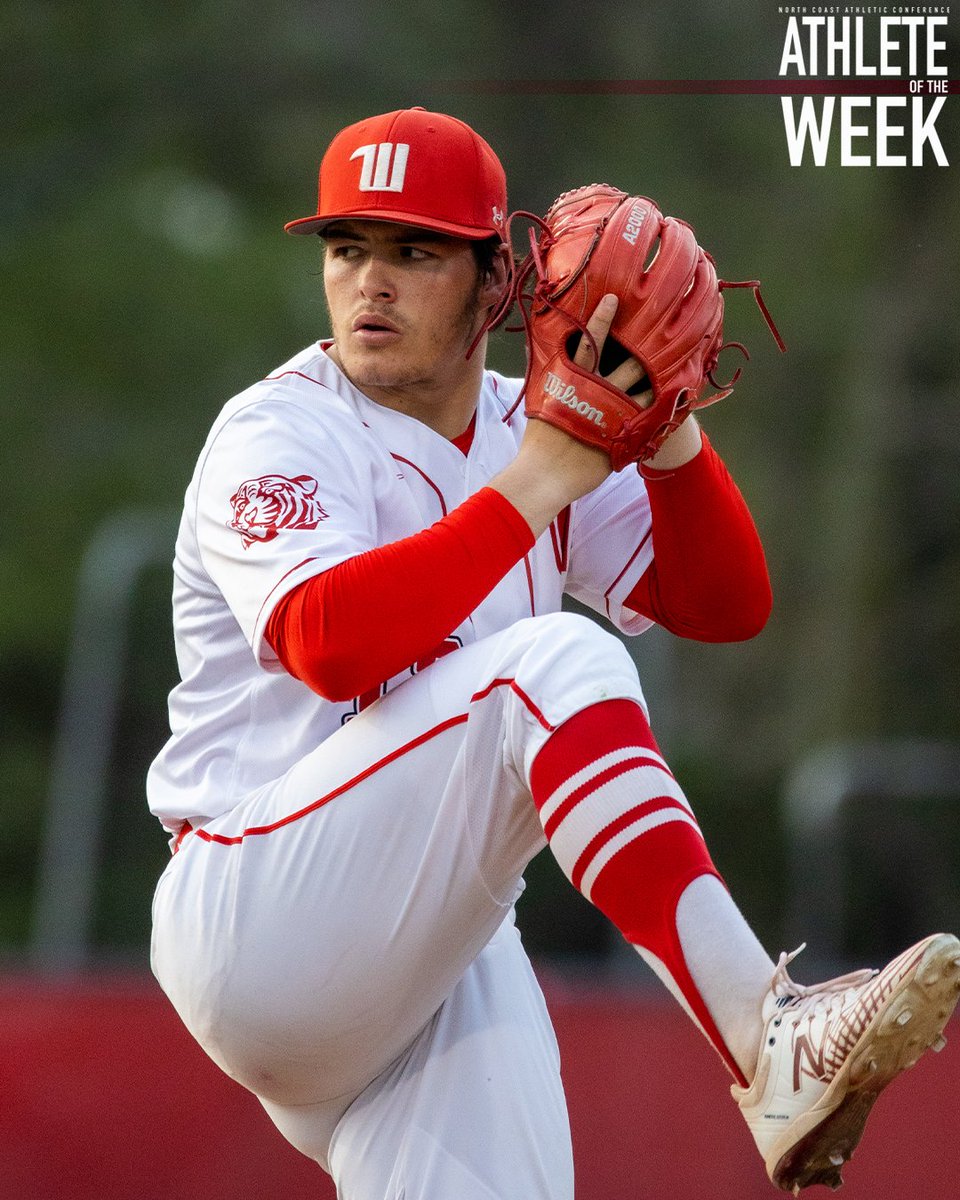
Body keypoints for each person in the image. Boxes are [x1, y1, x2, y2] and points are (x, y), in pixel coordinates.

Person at [148, 107, 960, 1198]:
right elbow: (328, 644)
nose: (369, 282)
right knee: (552, 667)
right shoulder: (281, 429)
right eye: (347, 247)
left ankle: (768, 1049)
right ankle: (766, 1038)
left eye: (414, 252)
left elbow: (726, 604)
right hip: (256, 910)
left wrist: (664, 417)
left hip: (437, 949)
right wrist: (540, 480)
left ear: (496, 283)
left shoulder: (527, 422)